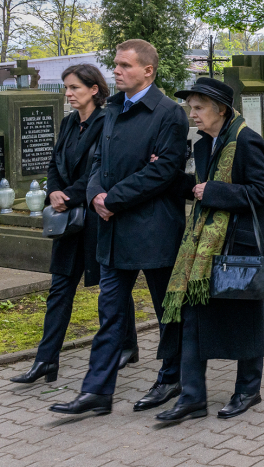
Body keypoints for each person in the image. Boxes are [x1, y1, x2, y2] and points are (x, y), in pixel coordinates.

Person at [50, 40, 187, 416]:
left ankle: (172, 376)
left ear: (148, 71)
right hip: (112, 232)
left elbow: (162, 171)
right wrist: (95, 195)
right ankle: (97, 391)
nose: (117, 71)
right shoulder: (111, 110)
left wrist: (112, 199)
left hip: (154, 230)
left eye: (125, 65)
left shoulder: (168, 113)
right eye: (115, 64)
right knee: (110, 313)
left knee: (167, 311)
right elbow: (99, 162)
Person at [153, 78, 264, 422]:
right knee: (193, 318)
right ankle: (192, 397)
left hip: (240, 246)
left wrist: (216, 192)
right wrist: (171, 175)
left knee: (246, 319)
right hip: (203, 249)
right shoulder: (207, 143)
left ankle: (249, 390)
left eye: (199, 107)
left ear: (220, 109)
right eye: (190, 107)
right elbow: (199, 188)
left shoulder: (246, 140)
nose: (192, 114)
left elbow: (263, 190)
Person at [12, 66, 139, 385]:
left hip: (97, 218)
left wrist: (68, 194)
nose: (68, 93)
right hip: (68, 222)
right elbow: (55, 162)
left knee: (112, 288)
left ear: (94, 89)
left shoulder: (108, 121)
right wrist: (52, 190)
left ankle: (127, 344)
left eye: (74, 88)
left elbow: (103, 169)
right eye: (67, 88)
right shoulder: (69, 122)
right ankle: (45, 360)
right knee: (59, 290)